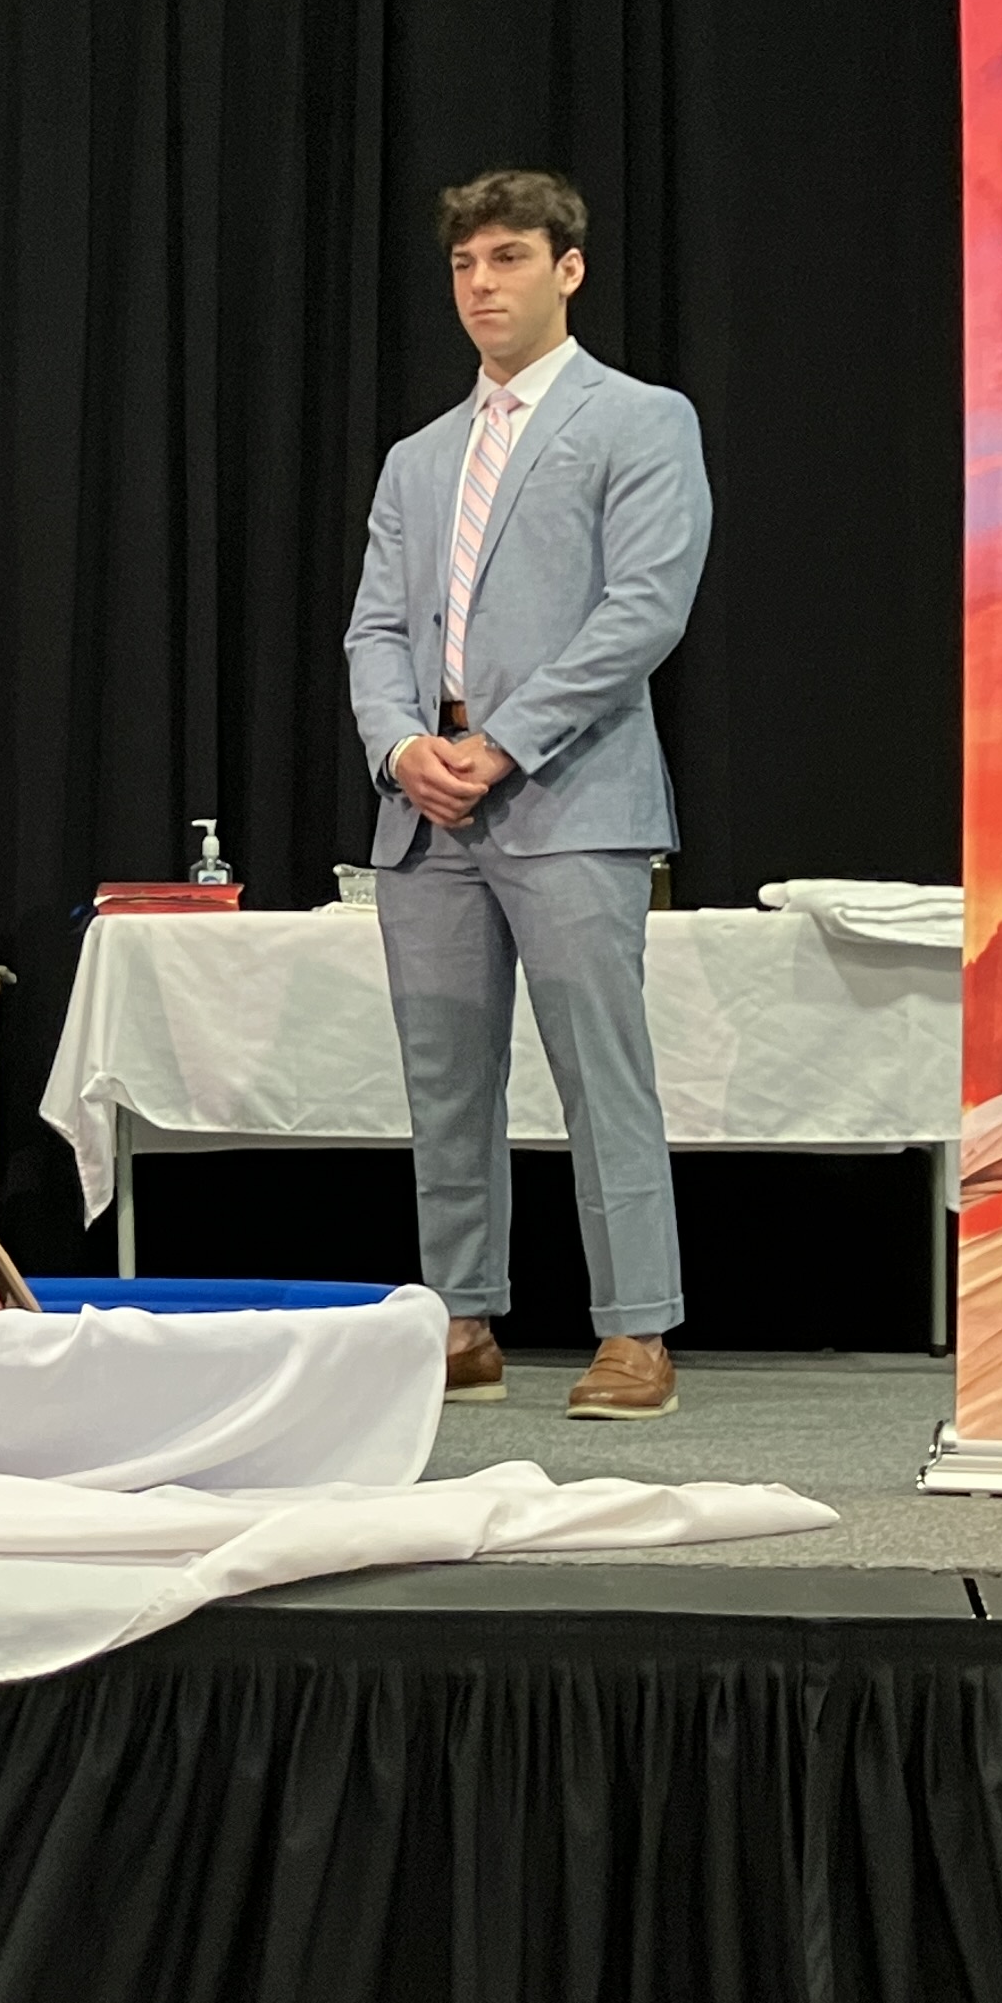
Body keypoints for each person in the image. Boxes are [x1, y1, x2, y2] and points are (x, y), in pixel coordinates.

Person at [345, 168, 710, 1420]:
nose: (481, 285)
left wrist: (503, 744)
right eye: (463, 265)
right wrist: (402, 748)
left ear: (569, 269)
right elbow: (374, 630)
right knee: (445, 1075)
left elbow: (643, 613)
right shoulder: (417, 457)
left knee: (599, 1070)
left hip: (568, 796)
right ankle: (463, 1315)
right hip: (426, 805)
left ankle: (635, 1331)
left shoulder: (640, 419)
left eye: (507, 259)